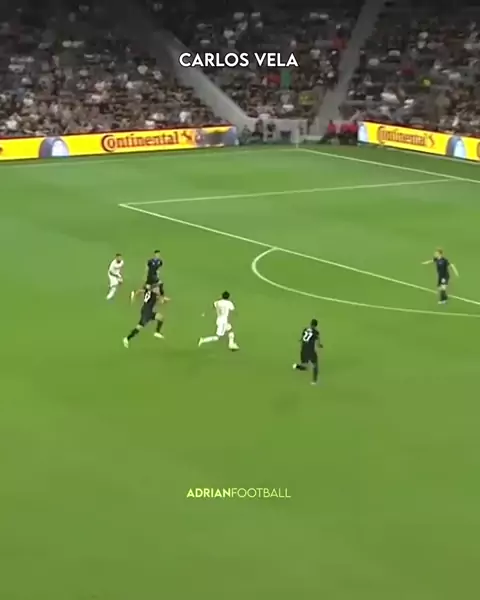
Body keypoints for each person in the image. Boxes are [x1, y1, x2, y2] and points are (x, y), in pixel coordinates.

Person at [293, 319, 323, 384]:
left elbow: (301, 339)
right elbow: (318, 344)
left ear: (310, 324)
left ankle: (296, 366)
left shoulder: (305, 329)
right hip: (310, 350)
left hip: (303, 349)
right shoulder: (316, 332)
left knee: (305, 366)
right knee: (315, 365)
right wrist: (320, 345)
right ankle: (314, 381)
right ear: (316, 325)